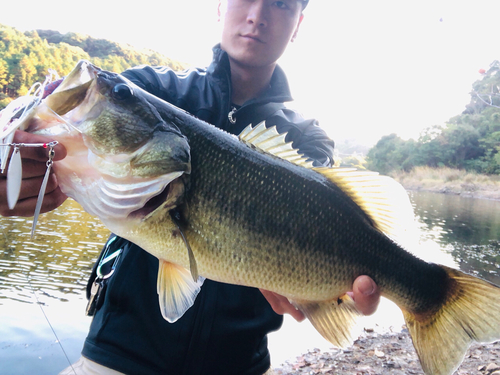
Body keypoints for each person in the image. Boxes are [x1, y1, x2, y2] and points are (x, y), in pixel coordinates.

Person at [0, 0, 380, 374]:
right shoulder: (150, 89)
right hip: (115, 357)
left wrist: (329, 295)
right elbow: (49, 131)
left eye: (280, 3)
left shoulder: (307, 140)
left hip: (241, 366)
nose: (257, 15)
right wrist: (11, 163)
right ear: (219, 7)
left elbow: (332, 224)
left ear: (298, 23)